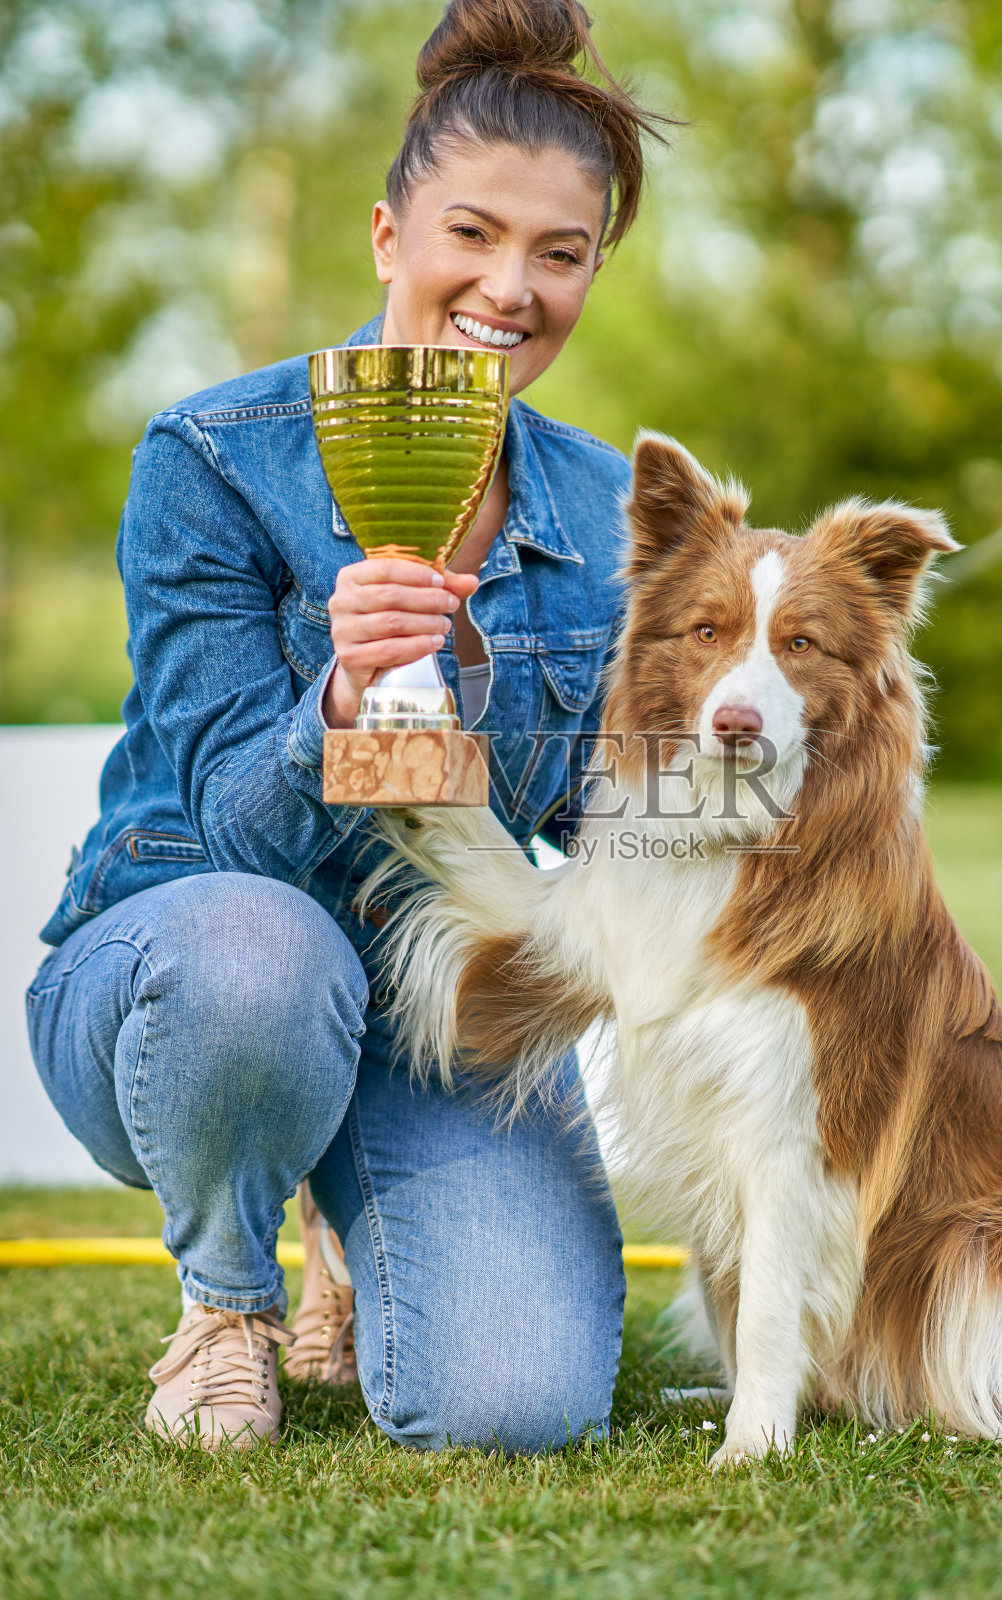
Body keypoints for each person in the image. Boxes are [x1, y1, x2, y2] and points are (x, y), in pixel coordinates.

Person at [26, 0, 670, 1453]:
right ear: (389, 236)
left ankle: (358, 1237)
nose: (513, 288)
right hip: (189, 972)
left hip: (445, 998)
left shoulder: (606, 507)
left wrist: (765, 748)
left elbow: (611, 821)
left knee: (516, 1406)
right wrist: (335, 693)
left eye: (561, 255)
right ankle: (229, 1301)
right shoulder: (208, 459)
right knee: (265, 954)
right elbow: (232, 827)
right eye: (473, 234)